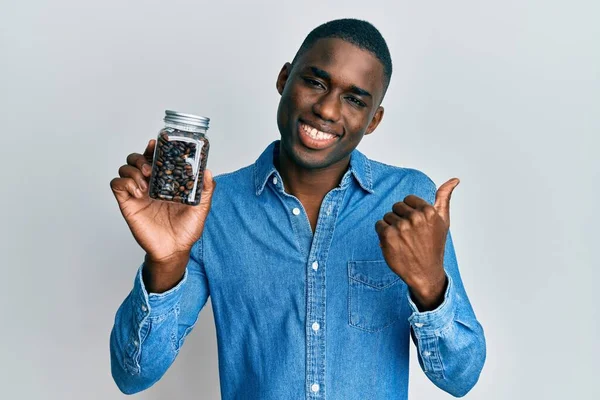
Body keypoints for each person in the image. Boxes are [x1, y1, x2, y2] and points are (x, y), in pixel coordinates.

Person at [109, 18, 486, 399]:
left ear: (373, 120)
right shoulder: (212, 209)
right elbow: (132, 375)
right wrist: (165, 262)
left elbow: (460, 377)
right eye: (315, 82)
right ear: (283, 79)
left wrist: (430, 285)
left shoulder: (408, 199)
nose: (326, 109)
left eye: (354, 99)